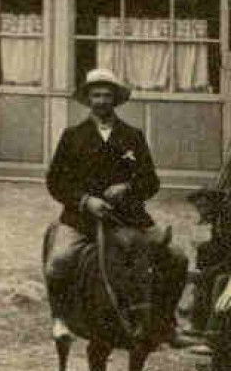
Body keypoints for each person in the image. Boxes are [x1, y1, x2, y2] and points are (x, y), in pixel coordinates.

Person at [44, 68, 189, 344]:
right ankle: (60, 319)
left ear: (116, 100)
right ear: (88, 100)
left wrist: (128, 188)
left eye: (107, 95)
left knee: (177, 258)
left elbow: (151, 182)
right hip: (81, 219)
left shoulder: (132, 135)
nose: (101, 100)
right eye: (95, 95)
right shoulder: (72, 136)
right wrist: (86, 201)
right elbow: (55, 182)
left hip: (129, 218)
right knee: (58, 262)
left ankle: (166, 323)